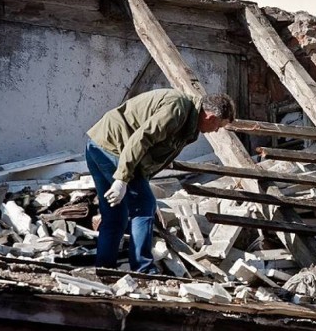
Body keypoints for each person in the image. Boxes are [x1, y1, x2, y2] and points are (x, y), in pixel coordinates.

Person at [85, 89, 236, 272]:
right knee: (144, 206)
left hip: (99, 144)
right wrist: (121, 179)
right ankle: (144, 270)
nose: (216, 131)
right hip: (113, 149)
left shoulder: (188, 119)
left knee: (115, 215)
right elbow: (141, 139)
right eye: (219, 126)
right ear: (210, 117)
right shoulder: (177, 109)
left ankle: (104, 269)